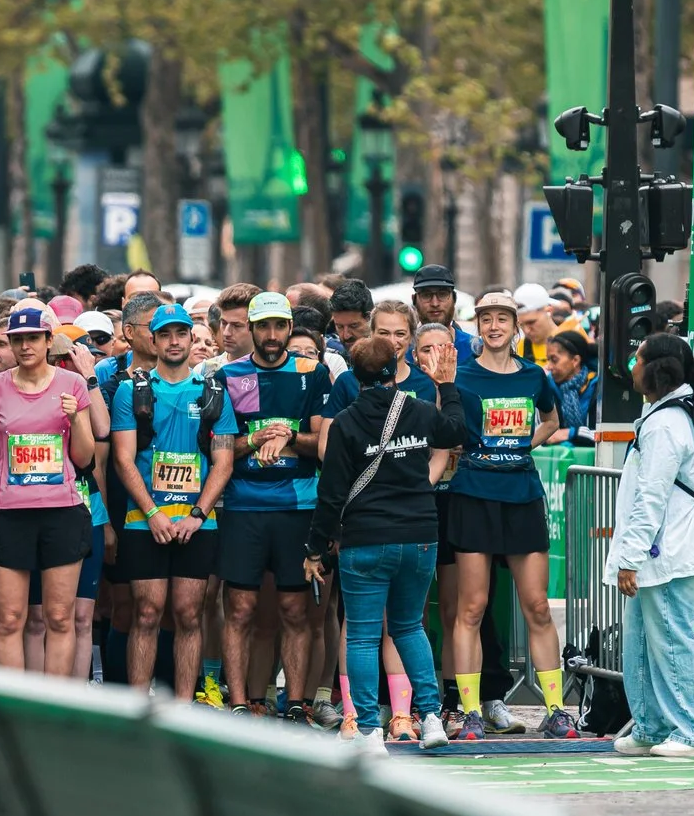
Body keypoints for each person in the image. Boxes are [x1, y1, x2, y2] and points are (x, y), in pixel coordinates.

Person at [306, 333, 473, 745]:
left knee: (362, 635)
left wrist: (315, 548)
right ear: (394, 368)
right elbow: (456, 430)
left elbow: (330, 494)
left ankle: (368, 729)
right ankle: (430, 718)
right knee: (410, 627)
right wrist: (446, 386)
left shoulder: (345, 422)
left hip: (365, 538)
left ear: (354, 374)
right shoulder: (419, 410)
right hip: (420, 536)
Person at [445, 289, 574, 739]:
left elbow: (553, 421)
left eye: (502, 318)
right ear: (478, 326)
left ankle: (556, 710)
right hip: (474, 495)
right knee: (472, 607)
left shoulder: (535, 376)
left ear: (516, 326)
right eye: (486, 319)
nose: (494, 326)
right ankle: (470, 712)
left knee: (536, 605)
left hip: (522, 494)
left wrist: (522, 447)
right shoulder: (461, 377)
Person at [607, 333, 694, 758]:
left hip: (669, 551)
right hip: (665, 549)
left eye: (636, 360)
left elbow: (651, 497)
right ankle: (652, 727)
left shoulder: (665, 424)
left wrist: (630, 557)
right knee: (642, 641)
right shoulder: (668, 415)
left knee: (673, 640)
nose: (632, 367)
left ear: (655, 369)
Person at [216, 292, 334, 719]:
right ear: (250, 328)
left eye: (279, 326)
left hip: (298, 505)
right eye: (263, 326)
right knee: (240, 609)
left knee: (294, 609)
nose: (271, 335)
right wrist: (259, 438)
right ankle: (239, 702)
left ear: (289, 328)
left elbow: (322, 445)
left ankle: (297, 702)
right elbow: (221, 448)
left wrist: (290, 436)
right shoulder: (228, 375)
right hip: (243, 506)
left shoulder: (312, 373)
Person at [109, 304, 237, 698]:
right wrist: (152, 513)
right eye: (165, 334)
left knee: (188, 614)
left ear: (191, 337)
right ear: (153, 340)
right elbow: (123, 458)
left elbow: (224, 462)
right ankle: (138, 710)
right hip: (143, 520)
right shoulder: (132, 391)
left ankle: (182, 710)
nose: (174, 341)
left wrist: (197, 515)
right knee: (146, 613)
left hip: (197, 523)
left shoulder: (212, 392)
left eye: (181, 333)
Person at [0, 303, 96, 673]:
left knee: (59, 617)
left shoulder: (72, 384)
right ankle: (12, 703)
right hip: (7, 514)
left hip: (62, 511)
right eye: (18, 339)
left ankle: (52, 704)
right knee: (9, 619)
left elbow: (85, 457)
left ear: (48, 341)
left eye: (33, 338)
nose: (25, 346)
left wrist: (76, 419)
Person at [545, 328, 599, 445]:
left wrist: (571, 433)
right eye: (548, 360)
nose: (548, 366)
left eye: (554, 360)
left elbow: (605, 436)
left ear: (575, 360)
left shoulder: (598, 388)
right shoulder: (547, 388)